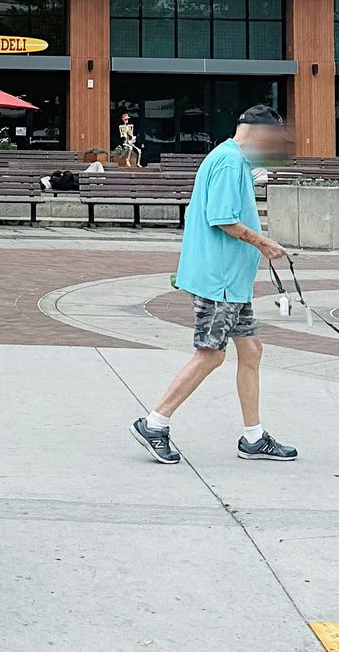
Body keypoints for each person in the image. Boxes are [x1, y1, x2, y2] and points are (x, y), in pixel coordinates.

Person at [131, 104, 297, 465]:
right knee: (211, 353)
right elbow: (222, 219)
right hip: (219, 280)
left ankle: (253, 438)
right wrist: (263, 243)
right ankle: (154, 423)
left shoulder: (234, 160)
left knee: (250, 349)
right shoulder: (229, 161)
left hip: (230, 280)